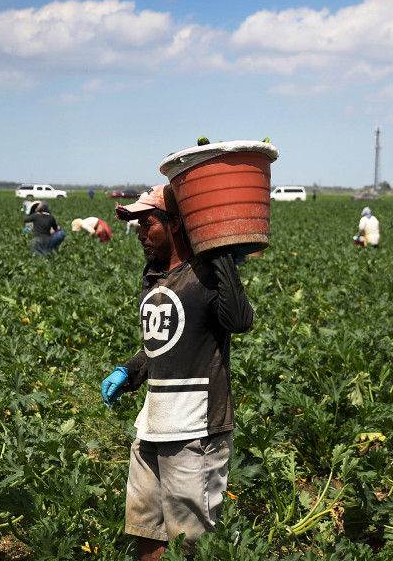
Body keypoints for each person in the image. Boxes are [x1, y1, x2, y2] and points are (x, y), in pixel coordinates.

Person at [102, 184, 254, 559]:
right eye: (137, 225)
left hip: (196, 432)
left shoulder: (204, 274)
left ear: (176, 225)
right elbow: (161, 341)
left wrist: (217, 249)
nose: (140, 234)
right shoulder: (154, 275)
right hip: (152, 427)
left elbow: (240, 320)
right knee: (146, 530)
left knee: (194, 546)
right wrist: (132, 369)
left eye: (147, 224)